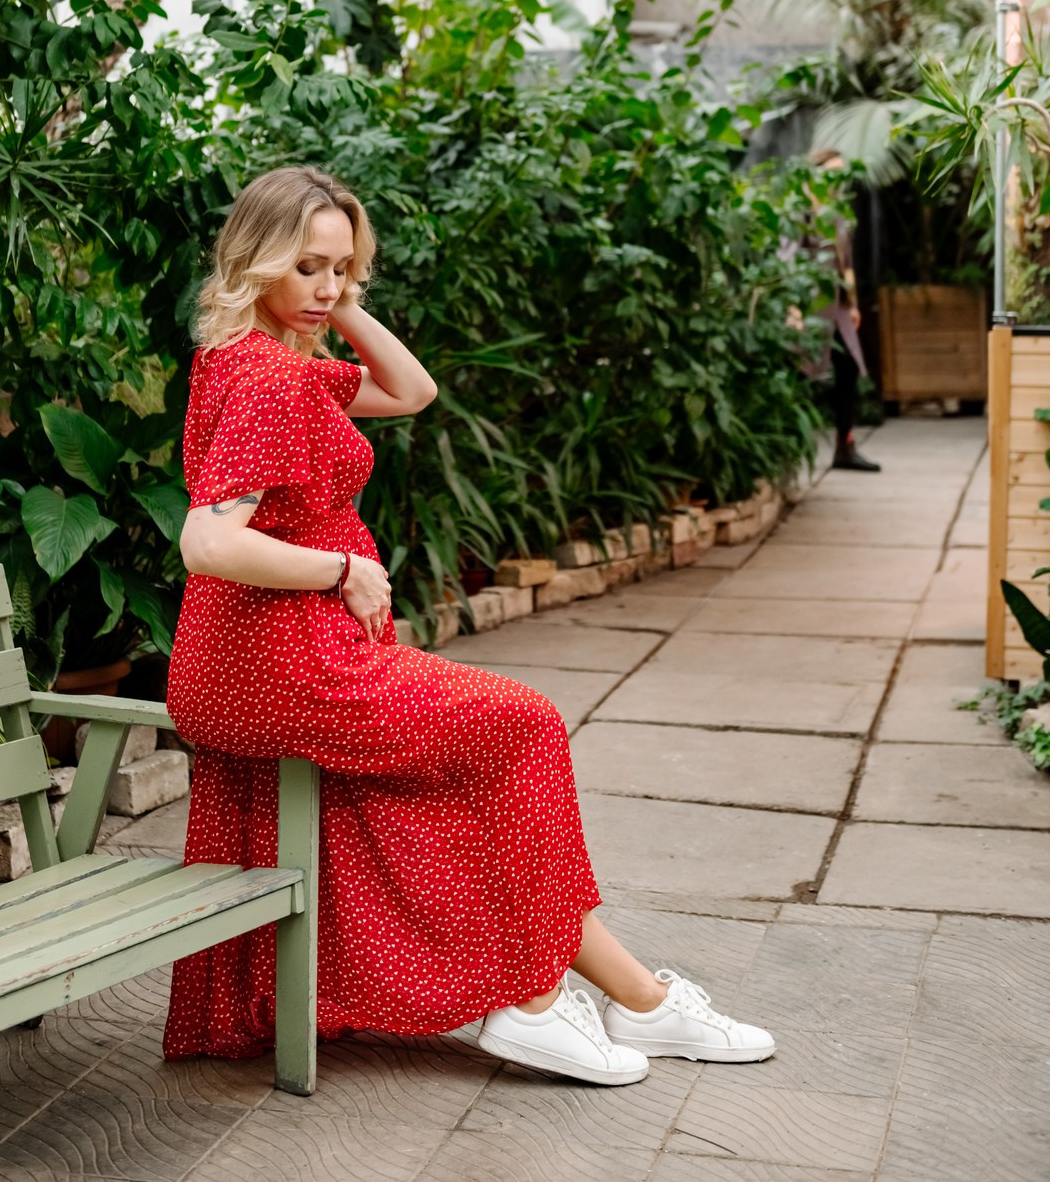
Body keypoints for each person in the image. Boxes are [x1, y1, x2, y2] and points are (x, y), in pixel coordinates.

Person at [164, 165, 774, 1085]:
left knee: (475, 786)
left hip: (270, 652)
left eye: (343, 269)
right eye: (306, 269)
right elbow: (206, 541)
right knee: (521, 728)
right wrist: (344, 568)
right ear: (253, 264)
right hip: (278, 662)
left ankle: (635, 998)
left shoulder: (269, 363)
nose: (327, 288)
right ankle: (539, 1004)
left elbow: (412, 391)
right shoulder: (266, 384)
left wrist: (337, 308)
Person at [809, 149, 880, 474]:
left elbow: (846, 260)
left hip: (836, 306)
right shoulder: (800, 209)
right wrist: (793, 308)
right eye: (830, 172)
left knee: (848, 368)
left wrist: (852, 303)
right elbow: (787, 254)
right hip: (809, 304)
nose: (837, 179)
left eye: (841, 173)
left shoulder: (838, 213)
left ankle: (845, 445)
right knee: (803, 373)